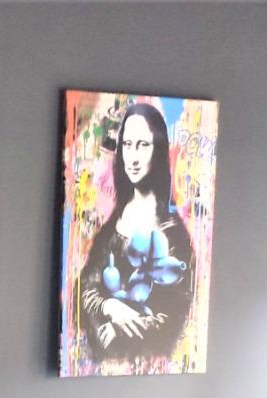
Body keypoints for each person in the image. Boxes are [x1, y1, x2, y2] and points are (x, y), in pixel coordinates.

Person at [79, 102, 193, 365]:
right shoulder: (112, 225)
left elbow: (174, 315)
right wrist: (110, 306)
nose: (132, 157)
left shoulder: (173, 233)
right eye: (127, 145)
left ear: (158, 149)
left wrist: (120, 328)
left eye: (142, 145)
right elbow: (87, 288)